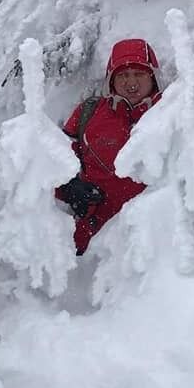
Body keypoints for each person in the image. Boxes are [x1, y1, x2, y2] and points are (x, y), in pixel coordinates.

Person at [57, 38, 162, 254]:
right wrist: (69, 188)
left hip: (153, 250)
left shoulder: (171, 115)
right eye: (123, 75)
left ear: (153, 78)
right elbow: (53, 163)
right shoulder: (89, 113)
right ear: (111, 80)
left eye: (139, 74)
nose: (131, 83)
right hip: (88, 248)